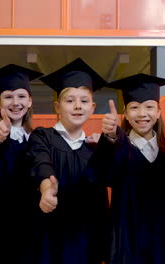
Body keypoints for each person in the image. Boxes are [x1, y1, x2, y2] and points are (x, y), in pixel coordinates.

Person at [96, 73, 165, 263]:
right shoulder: (117, 153)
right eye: (134, 107)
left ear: (158, 112)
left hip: (164, 250)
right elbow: (100, 175)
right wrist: (109, 138)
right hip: (128, 248)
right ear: (125, 113)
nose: (142, 114)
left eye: (149, 107)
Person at [26, 58, 109, 264]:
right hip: (49, 241)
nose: (78, 106)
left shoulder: (95, 150)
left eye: (84, 101)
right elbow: (40, 163)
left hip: (84, 244)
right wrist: (46, 189)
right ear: (57, 106)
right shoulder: (43, 137)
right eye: (70, 100)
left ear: (92, 107)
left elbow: (101, 205)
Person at [0, 64, 43, 264]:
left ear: (29, 101)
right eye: (8, 97)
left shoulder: (34, 137)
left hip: (26, 226)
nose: (15, 102)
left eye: (21, 96)